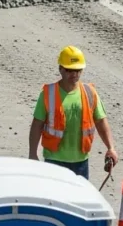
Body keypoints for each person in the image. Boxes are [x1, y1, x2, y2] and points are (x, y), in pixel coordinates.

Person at [29, 46, 117, 180]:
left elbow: (100, 121)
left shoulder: (89, 93)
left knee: (79, 200)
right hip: (54, 160)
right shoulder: (48, 93)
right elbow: (37, 124)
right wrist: (32, 153)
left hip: (81, 161)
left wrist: (111, 148)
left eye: (77, 70)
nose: (74, 74)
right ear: (60, 69)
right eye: (69, 70)